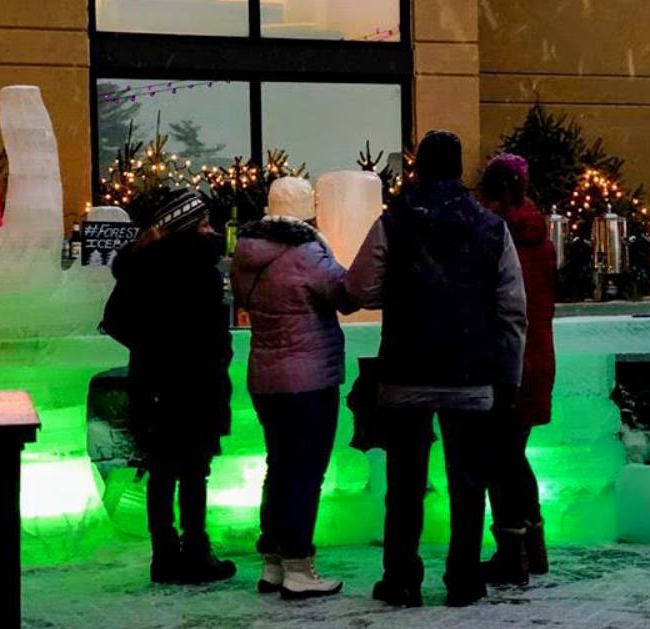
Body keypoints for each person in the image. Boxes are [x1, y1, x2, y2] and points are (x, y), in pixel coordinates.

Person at [346, 129, 527, 607]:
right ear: (460, 168)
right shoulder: (490, 227)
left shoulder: (395, 221)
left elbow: (360, 288)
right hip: (471, 376)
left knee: (404, 486)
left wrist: (403, 295)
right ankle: (464, 579)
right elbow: (512, 309)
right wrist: (508, 377)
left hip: (405, 372)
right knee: (468, 484)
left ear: (418, 168)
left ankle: (401, 578)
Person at [101, 189, 236, 585]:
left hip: (153, 382)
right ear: (187, 227)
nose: (210, 229)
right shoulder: (200, 272)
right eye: (203, 222)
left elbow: (115, 321)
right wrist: (204, 358)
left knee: (162, 469)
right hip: (195, 385)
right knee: (194, 471)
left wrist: (150, 349)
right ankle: (195, 550)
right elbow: (211, 335)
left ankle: (164, 555)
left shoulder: (139, 271)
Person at [231, 183, 350, 600]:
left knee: (279, 467)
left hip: (266, 379)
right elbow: (345, 294)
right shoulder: (307, 254)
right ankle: (300, 565)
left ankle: (273, 562)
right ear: (308, 211)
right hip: (309, 378)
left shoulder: (246, 255)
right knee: (305, 472)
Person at [477, 153, 556, 585]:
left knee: (499, 458)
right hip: (540, 356)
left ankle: (513, 553)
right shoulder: (539, 236)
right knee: (514, 454)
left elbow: (502, 306)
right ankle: (534, 545)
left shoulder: (499, 238)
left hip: (509, 359)